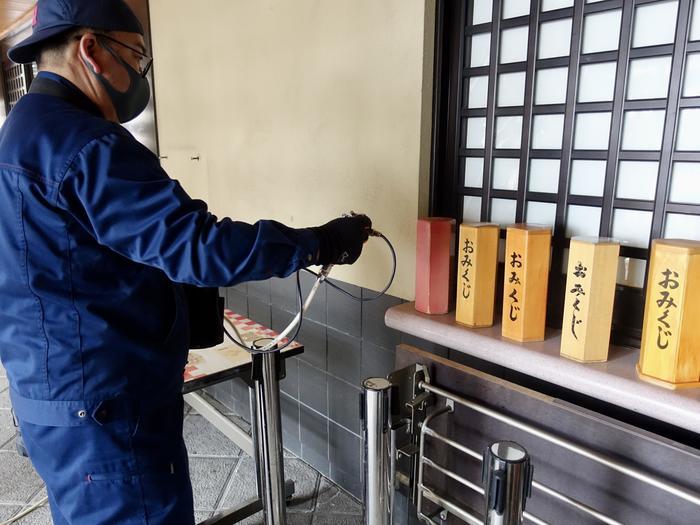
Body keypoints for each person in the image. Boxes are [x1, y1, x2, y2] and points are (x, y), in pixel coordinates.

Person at [0, 1, 371, 523]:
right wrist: (318, 243)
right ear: (91, 50)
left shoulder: (17, 136)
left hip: (50, 399)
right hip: (107, 410)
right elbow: (199, 248)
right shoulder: (88, 145)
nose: (140, 76)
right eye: (137, 58)